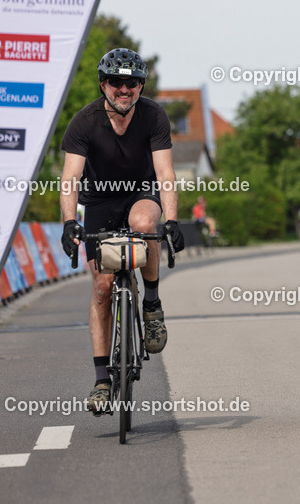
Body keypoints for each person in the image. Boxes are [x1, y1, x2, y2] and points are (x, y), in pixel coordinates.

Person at [59, 48, 186, 415]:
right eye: (116, 82)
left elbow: (165, 174)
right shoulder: (84, 122)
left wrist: (173, 221)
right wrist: (70, 223)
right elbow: (70, 178)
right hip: (98, 202)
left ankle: (151, 304)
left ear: (140, 86)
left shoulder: (154, 115)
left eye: (131, 83)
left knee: (145, 226)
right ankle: (102, 380)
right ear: (104, 84)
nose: (124, 89)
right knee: (101, 288)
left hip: (140, 194)